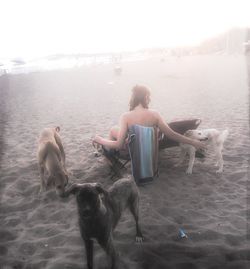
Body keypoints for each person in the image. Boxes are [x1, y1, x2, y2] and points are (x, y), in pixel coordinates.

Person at [93, 84, 206, 151]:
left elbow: (119, 145)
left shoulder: (126, 117)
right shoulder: (155, 114)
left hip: (134, 150)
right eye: (149, 97)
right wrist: (193, 142)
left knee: (113, 130)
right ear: (146, 97)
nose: (150, 99)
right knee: (114, 129)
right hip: (150, 151)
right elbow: (172, 134)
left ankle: (107, 150)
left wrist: (100, 140)